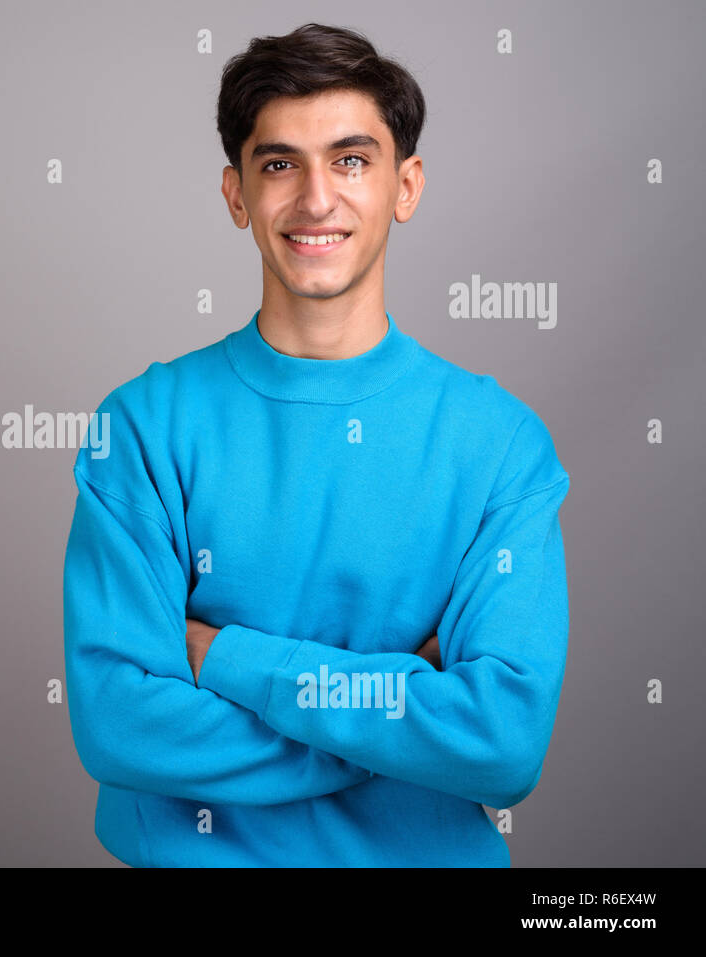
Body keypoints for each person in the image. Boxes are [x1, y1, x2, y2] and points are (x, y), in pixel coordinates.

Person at [61, 22, 571, 866]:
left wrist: (227, 658)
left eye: (352, 160)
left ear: (406, 185)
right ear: (236, 196)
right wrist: (400, 717)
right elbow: (120, 725)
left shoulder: (500, 445)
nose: (316, 199)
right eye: (279, 165)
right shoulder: (143, 427)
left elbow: (503, 743)